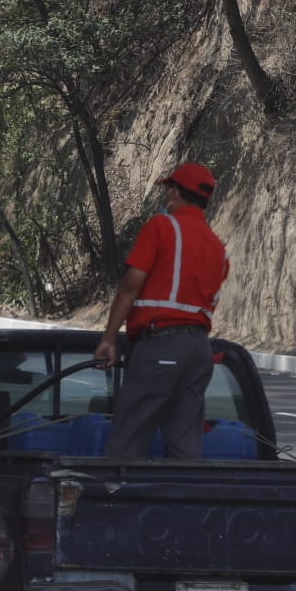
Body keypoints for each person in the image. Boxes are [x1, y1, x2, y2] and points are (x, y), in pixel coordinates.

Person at [95, 162, 228, 459]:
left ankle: (115, 498)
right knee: (185, 442)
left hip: (162, 346)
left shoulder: (162, 226)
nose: (165, 196)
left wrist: (108, 338)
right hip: (198, 352)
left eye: (168, 189)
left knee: (128, 437)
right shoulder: (217, 246)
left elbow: (131, 285)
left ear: (176, 192)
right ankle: (186, 501)